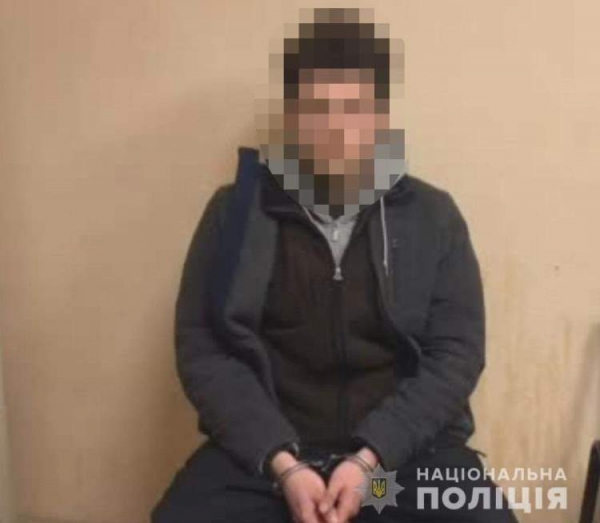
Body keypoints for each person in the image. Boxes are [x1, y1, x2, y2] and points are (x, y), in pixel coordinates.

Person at [151, 7, 519, 523]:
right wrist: (284, 465)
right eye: (318, 109)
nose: (338, 128)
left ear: (381, 118)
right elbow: (203, 350)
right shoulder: (234, 214)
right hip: (269, 462)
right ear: (291, 117)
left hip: (397, 464)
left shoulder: (432, 216)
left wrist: (370, 460)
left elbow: (456, 354)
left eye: (355, 109)